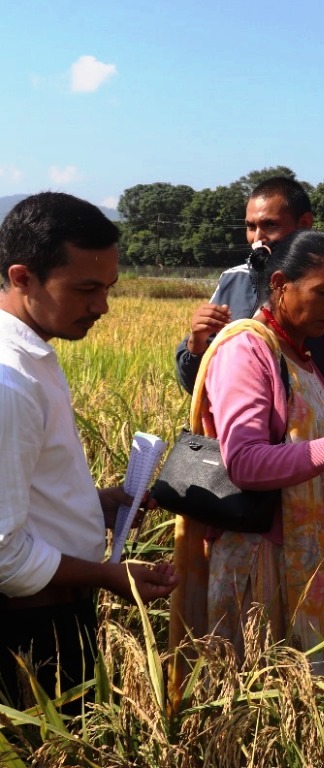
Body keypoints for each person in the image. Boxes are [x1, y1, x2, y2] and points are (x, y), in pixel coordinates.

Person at [169, 231, 324, 672]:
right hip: (264, 563)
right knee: (265, 694)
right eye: (322, 292)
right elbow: (244, 461)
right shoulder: (248, 350)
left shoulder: (297, 354)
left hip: (306, 554)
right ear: (280, 283)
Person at [0, 192, 178, 706]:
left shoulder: (34, 356)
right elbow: (5, 557)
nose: (101, 306)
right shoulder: (10, 383)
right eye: (85, 289)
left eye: (108, 288)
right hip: (30, 635)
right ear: (22, 277)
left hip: (52, 613)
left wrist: (91, 502)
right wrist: (110, 576)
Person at [173, 178, 324, 503]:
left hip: (323, 476)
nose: (258, 239)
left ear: (305, 224)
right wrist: (196, 347)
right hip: (241, 494)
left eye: (269, 225)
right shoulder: (232, 283)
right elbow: (201, 386)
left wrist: (291, 411)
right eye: (250, 227)